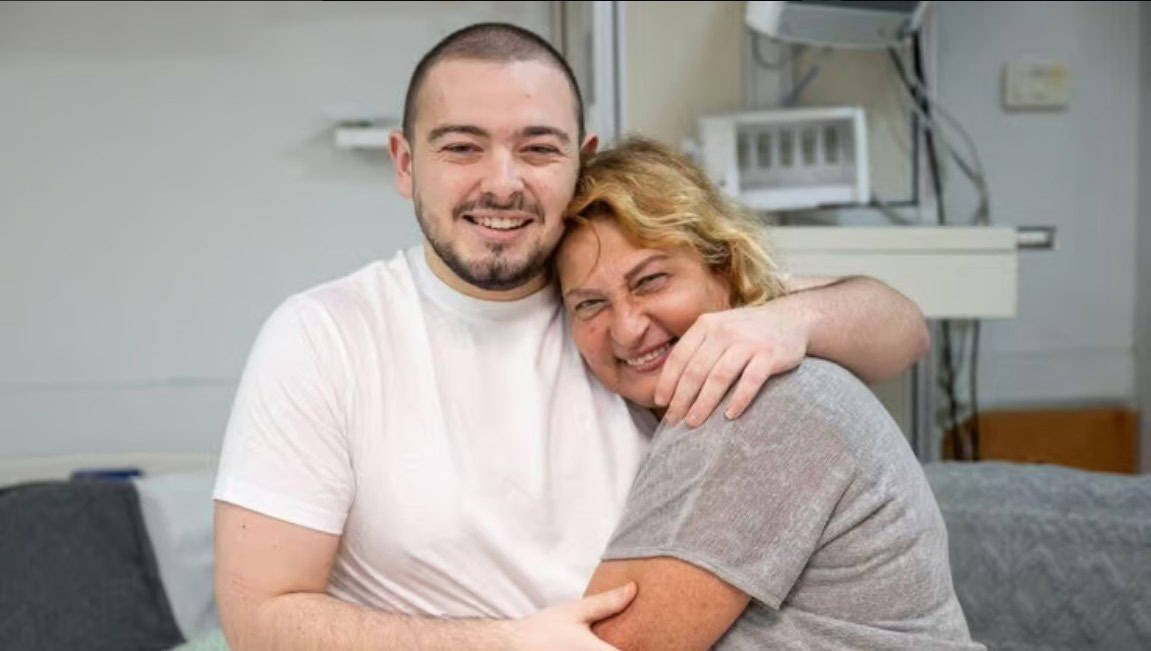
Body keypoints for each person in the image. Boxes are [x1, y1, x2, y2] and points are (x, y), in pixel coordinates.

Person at [212, 22, 930, 650]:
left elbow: (899, 327)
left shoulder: (638, 306)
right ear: (406, 164)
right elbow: (259, 621)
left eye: (537, 148)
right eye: (462, 147)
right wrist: (502, 645)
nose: (502, 183)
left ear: (578, 158)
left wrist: (789, 318)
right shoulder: (324, 337)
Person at [556, 137, 979, 650]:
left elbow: (613, 649)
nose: (627, 329)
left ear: (724, 267)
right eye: (590, 305)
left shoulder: (749, 402)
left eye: (651, 281)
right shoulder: (688, 382)